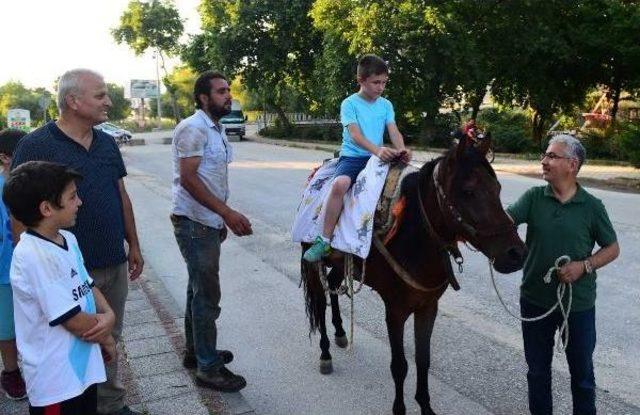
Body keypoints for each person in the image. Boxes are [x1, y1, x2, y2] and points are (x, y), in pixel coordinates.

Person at [11, 69, 144, 415]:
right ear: (73, 101)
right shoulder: (35, 145)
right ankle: (75, 399)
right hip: (58, 270)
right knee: (74, 339)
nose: (108, 101)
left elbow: (121, 194)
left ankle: (110, 404)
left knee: (110, 334)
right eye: (100, 95)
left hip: (110, 260)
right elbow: (18, 207)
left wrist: (134, 244)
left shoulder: (106, 142)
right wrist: (30, 259)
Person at [506, 134, 619, 415]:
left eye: (552, 156)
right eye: (545, 155)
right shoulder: (533, 197)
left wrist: (584, 266)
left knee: (582, 376)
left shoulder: (592, 206)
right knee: (537, 372)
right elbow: (504, 221)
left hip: (577, 305)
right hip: (535, 301)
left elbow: (612, 248)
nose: (544, 161)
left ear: (572, 164)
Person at [3, 160, 117, 415]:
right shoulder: (32, 255)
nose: (80, 203)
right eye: (72, 197)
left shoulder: (68, 239)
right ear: (46, 208)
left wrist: (109, 314)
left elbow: (86, 284)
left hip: (81, 370)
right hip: (55, 382)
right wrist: (107, 337)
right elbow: (72, 320)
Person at [170, 71, 252, 392]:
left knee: (197, 290)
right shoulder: (193, 128)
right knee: (206, 296)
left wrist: (220, 220)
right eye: (221, 91)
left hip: (207, 222)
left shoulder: (215, 128)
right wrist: (226, 214)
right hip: (194, 223)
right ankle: (207, 367)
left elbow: (213, 176)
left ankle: (197, 352)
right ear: (204, 97)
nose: (228, 96)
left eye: (228, 90)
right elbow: (189, 179)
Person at [303, 54, 411, 262]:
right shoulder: (349, 104)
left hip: (376, 158)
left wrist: (401, 149)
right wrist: (378, 150)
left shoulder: (386, 105)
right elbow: (355, 135)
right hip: (353, 158)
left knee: (407, 184)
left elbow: (394, 130)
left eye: (384, 83)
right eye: (376, 82)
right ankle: (324, 240)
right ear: (361, 81)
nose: (380, 88)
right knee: (340, 185)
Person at [0, 129, 27, 401]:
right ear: (5, 157)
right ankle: (10, 371)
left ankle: (32, 366)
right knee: (7, 327)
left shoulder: (32, 188)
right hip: (3, 272)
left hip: (31, 271)